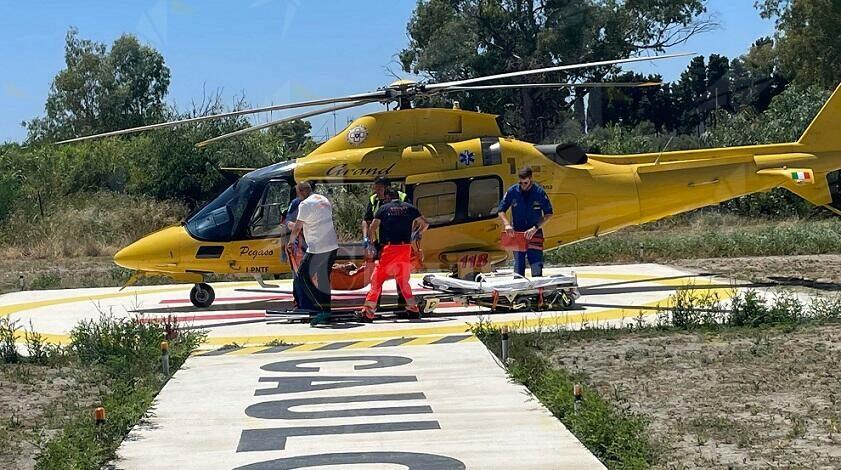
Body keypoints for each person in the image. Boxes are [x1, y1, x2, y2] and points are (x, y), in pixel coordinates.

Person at [359, 187, 428, 322]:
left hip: (389, 249)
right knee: (403, 280)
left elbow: (372, 228)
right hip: (405, 248)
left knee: (377, 279)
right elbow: (425, 224)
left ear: (387, 197)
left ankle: (368, 311)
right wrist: (416, 234)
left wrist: (372, 244)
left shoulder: (383, 209)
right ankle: (413, 309)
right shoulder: (410, 208)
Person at [286, 182, 339, 324]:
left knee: (302, 277)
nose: (297, 195)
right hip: (332, 246)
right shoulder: (323, 199)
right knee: (323, 280)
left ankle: (320, 309)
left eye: (298, 192)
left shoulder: (305, 204)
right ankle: (326, 311)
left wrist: (290, 242)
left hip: (317, 248)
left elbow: (297, 228)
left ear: (303, 191)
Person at [497, 166, 553, 277]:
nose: (523, 186)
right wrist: (507, 224)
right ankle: (519, 292)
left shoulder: (539, 193)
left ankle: (538, 293)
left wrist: (535, 227)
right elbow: (501, 210)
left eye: (525, 183)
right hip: (518, 234)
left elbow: (549, 214)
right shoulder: (513, 191)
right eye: (521, 183)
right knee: (518, 267)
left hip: (534, 233)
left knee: (536, 266)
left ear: (531, 179)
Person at [361, 176, 407, 307]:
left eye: (379, 188)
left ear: (387, 188)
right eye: (375, 188)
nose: (376, 191)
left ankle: (403, 303)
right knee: (377, 275)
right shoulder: (374, 200)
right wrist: (366, 239)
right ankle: (376, 303)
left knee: (401, 274)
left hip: (399, 242)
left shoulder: (402, 198)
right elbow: (367, 220)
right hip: (380, 243)